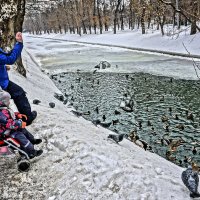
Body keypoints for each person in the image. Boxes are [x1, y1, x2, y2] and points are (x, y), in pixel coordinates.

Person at [0, 32, 36, 125]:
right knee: (19, 93)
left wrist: (3, 66)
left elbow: (5, 56)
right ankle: (26, 119)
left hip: (3, 80)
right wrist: (19, 43)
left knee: (18, 93)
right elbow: (10, 59)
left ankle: (24, 117)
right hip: (2, 83)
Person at [0, 90, 43, 159]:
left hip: (11, 128)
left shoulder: (4, 109)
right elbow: (8, 123)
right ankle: (31, 152)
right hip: (6, 132)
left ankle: (32, 140)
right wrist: (19, 123)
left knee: (23, 130)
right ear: (3, 102)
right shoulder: (0, 113)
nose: (9, 102)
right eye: (7, 100)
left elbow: (11, 115)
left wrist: (18, 115)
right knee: (20, 136)